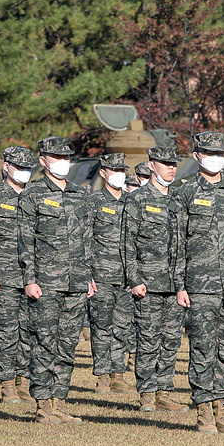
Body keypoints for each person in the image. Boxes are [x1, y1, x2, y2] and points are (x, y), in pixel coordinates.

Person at [173, 132, 224, 433]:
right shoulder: (184, 194)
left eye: (220, 152)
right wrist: (180, 285)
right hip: (198, 285)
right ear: (197, 155)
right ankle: (204, 411)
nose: (215, 157)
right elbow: (176, 242)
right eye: (209, 152)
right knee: (203, 347)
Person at [17, 137, 96, 424]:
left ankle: (59, 402)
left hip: (75, 282)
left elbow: (87, 239)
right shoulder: (33, 193)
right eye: (56, 156)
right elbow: (24, 239)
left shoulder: (79, 193)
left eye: (66, 156)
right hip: (46, 282)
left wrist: (89, 276)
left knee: (67, 344)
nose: (63, 161)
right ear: (43, 160)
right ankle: (42, 405)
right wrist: (29, 279)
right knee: (44, 342)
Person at [123, 145, 189, 413]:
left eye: (173, 163)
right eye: (164, 163)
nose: (171, 168)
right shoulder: (137, 200)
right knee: (148, 339)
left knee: (171, 339)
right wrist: (134, 279)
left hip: (175, 285)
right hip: (147, 283)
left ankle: (165, 391)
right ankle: (148, 394)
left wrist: (184, 284)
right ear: (151, 166)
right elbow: (127, 244)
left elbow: (185, 244)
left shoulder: (179, 200)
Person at [0, 146, 38, 403]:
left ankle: (24, 381)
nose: (23, 172)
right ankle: (8, 385)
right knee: (6, 332)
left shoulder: (36, 196)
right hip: (3, 277)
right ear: (6, 167)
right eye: (19, 167)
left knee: (29, 332)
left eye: (27, 168)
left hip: (32, 278)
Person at [87, 153, 133, 395]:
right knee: (102, 327)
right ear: (103, 172)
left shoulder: (132, 202)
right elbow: (84, 239)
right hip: (101, 275)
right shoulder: (93, 201)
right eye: (114, 170)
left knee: (122, 327)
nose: (119, 174)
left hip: (127, 276)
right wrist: (88, 274)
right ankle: (103, 377)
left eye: (122, 170)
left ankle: (118, 374)